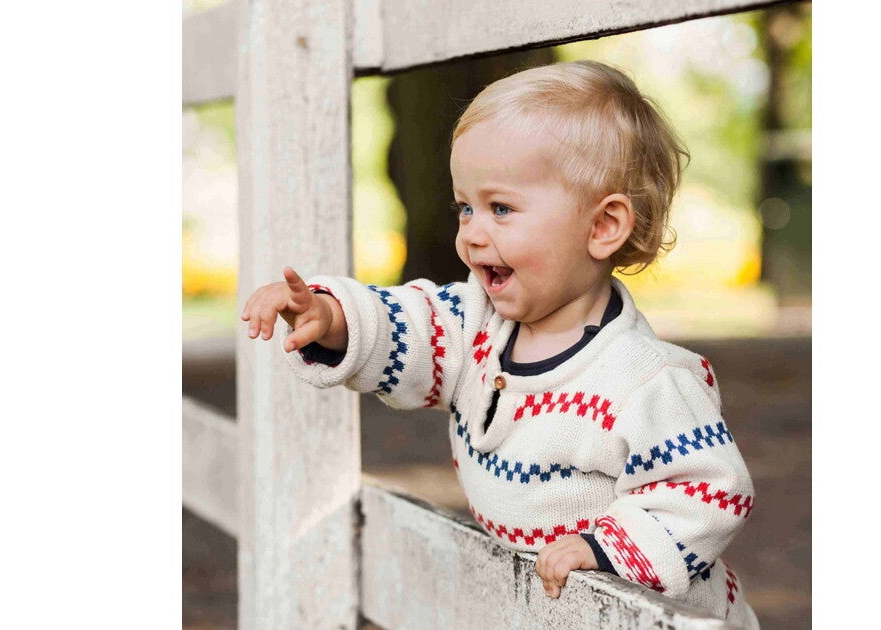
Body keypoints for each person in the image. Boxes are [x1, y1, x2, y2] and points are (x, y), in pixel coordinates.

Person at [240, 60, 758, 628]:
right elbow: (410, 324)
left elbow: (709, 490)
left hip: (660, 617)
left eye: (500, 208)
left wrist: (604, 547)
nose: (472, 232)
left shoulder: (643, 380)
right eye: (465, 207)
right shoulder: (476, 325)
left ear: (603, 226)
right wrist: (333, 317)